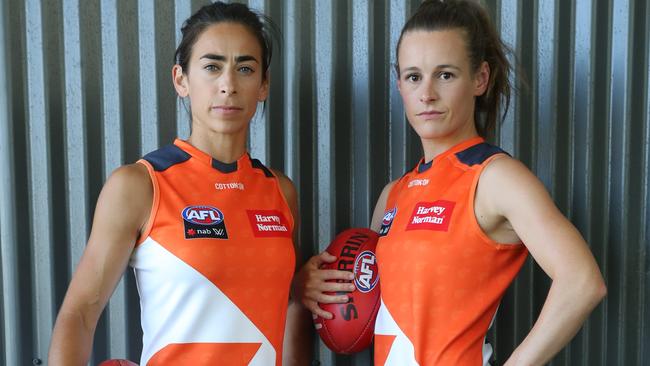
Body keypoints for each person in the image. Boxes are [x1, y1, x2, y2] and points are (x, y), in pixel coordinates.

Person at [296, 0, 607, 365]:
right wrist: (308, 285)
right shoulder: (392, 194)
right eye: (414, 76)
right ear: (399, 84)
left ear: (480, 79)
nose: (427, 93)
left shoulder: (495, 177)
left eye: (445, 75)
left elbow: (583, 281)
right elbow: (381, 306)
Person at [48, 2, 311, 365]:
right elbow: (79, 314)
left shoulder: (280, 191)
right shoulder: (140, 185)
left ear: (263, 84)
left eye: (245, 68)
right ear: (181, 79)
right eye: (212, 67)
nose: (228, 85)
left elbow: (291, 303)